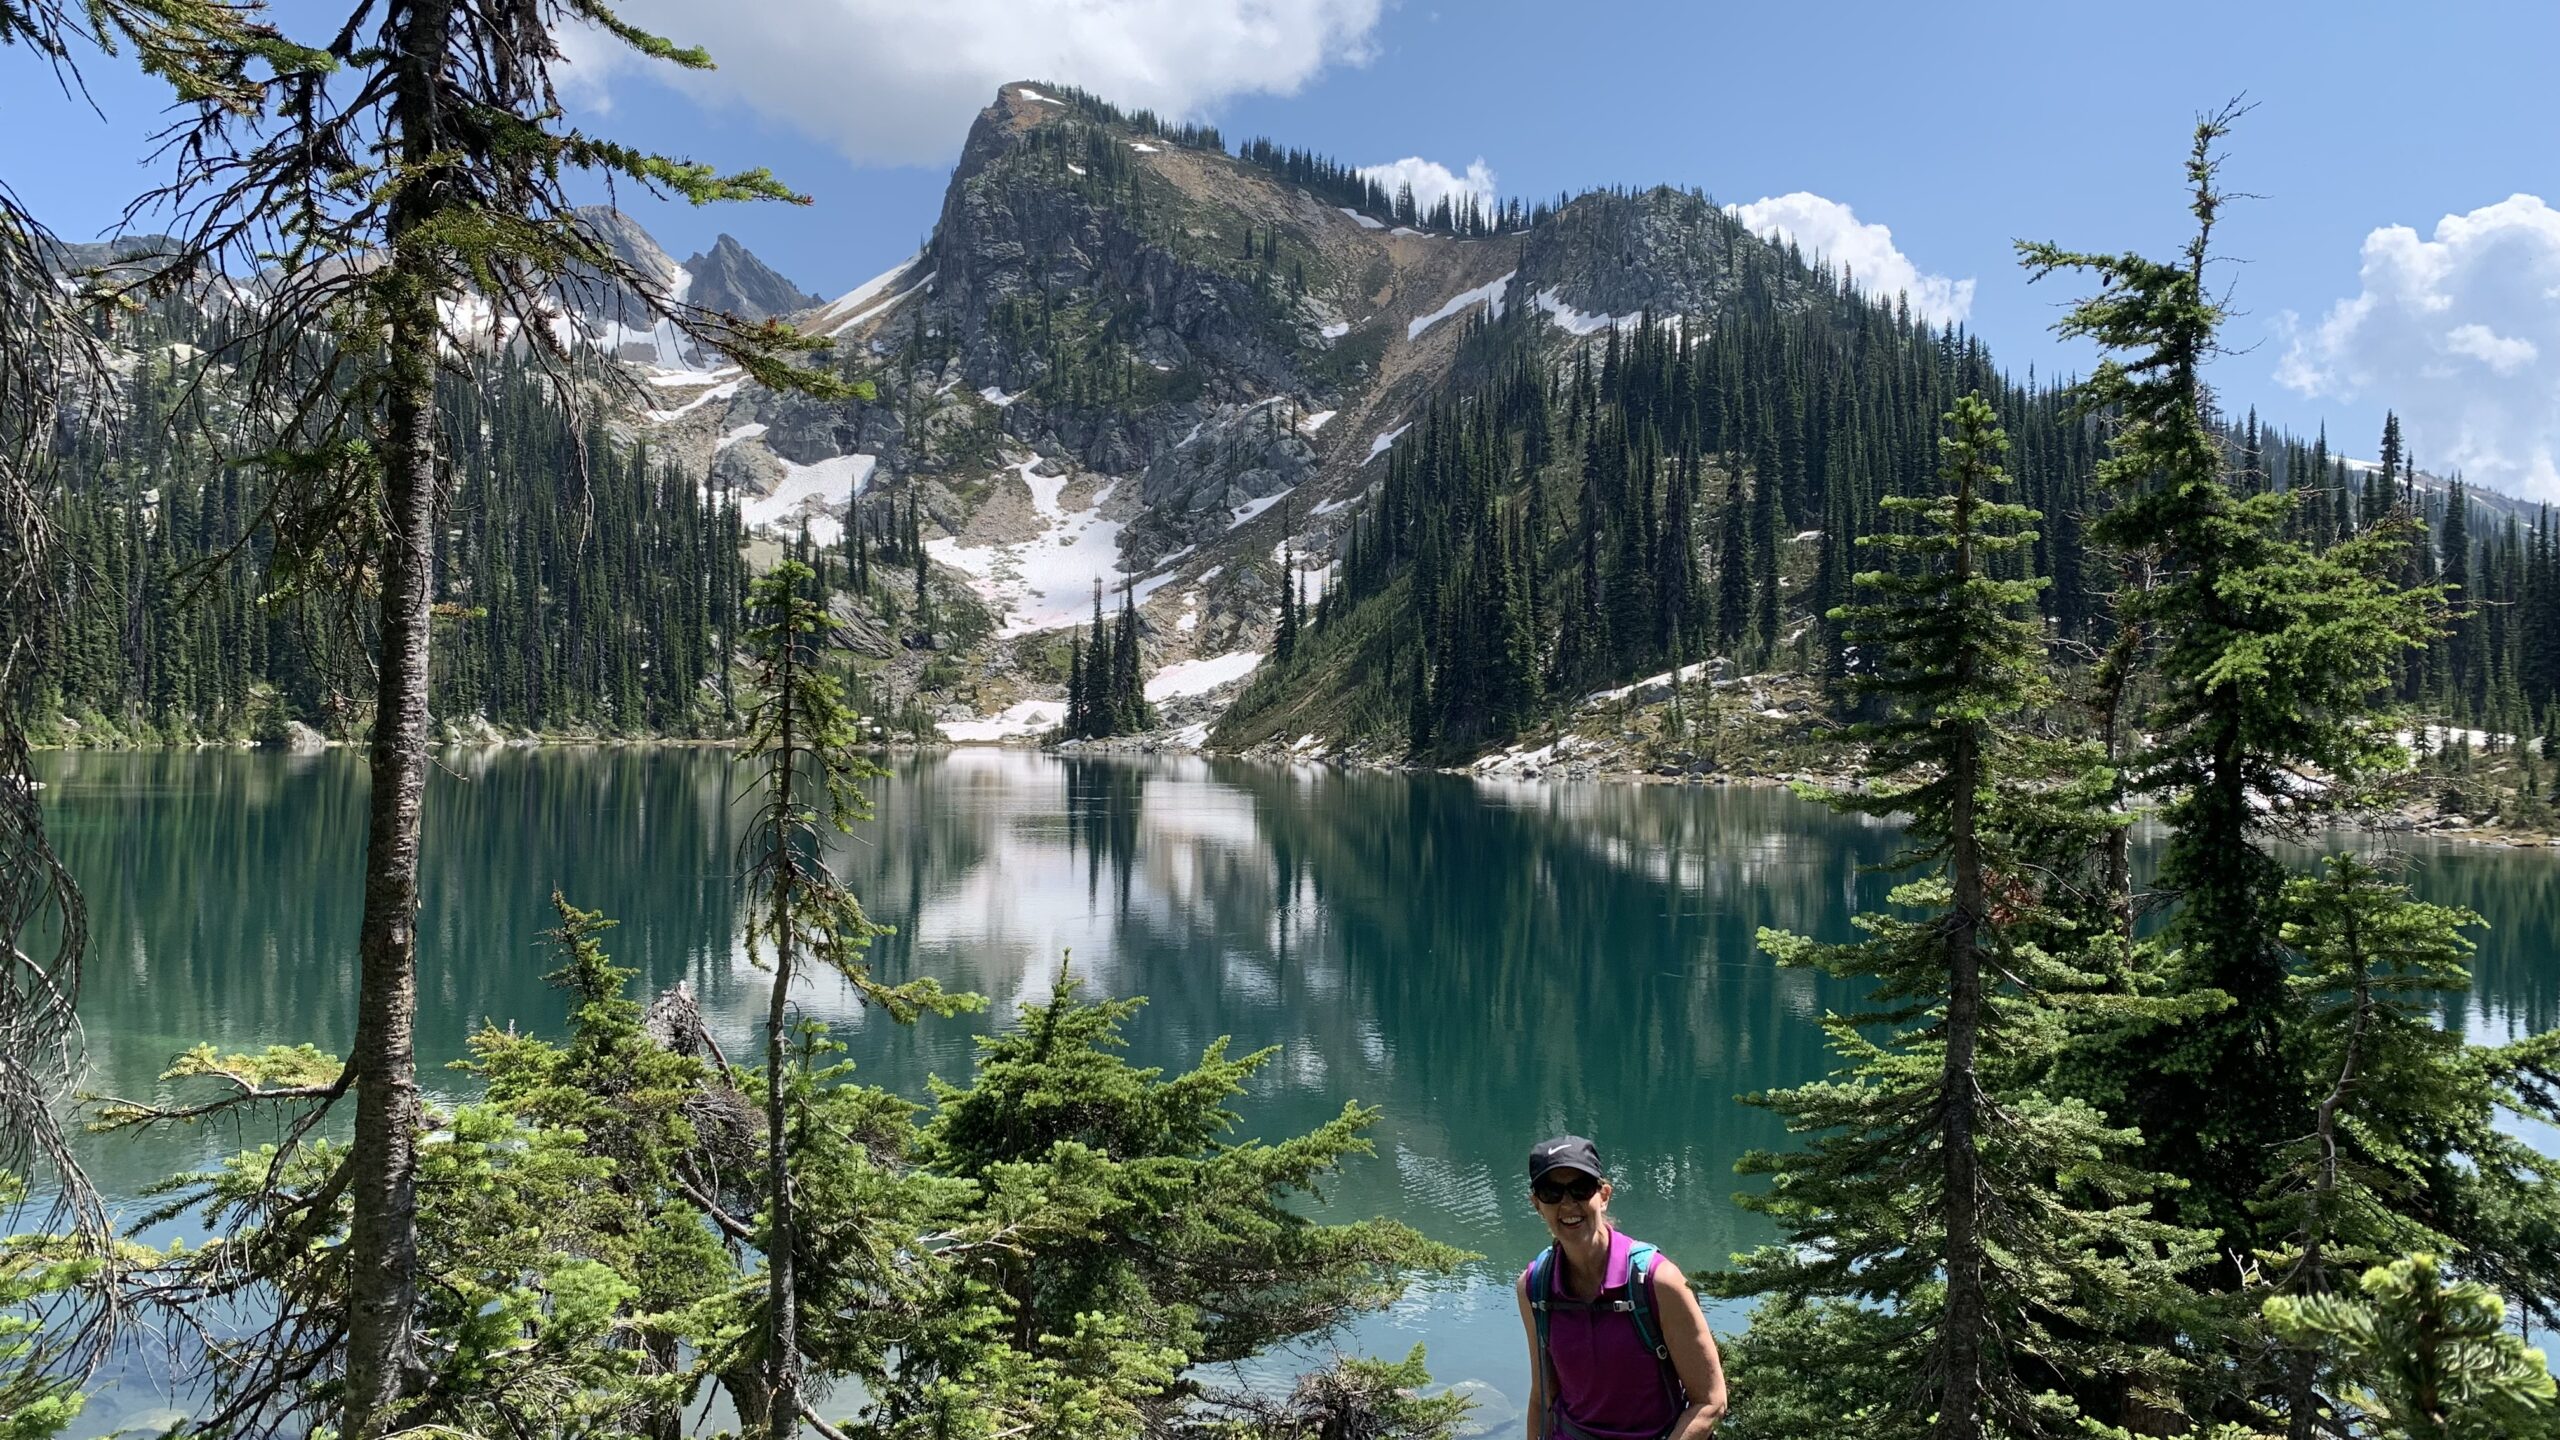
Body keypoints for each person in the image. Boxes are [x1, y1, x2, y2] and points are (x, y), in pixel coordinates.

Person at [1516, 1136, 1728, 1439]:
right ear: (1537, 1204)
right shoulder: (1535, 1288)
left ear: (1604, 1195)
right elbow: (1543, 1398)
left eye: (1581, 1188)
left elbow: (1710, 1402)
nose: (1568, 1203)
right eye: (1551, 1192)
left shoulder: (1658, 1282)